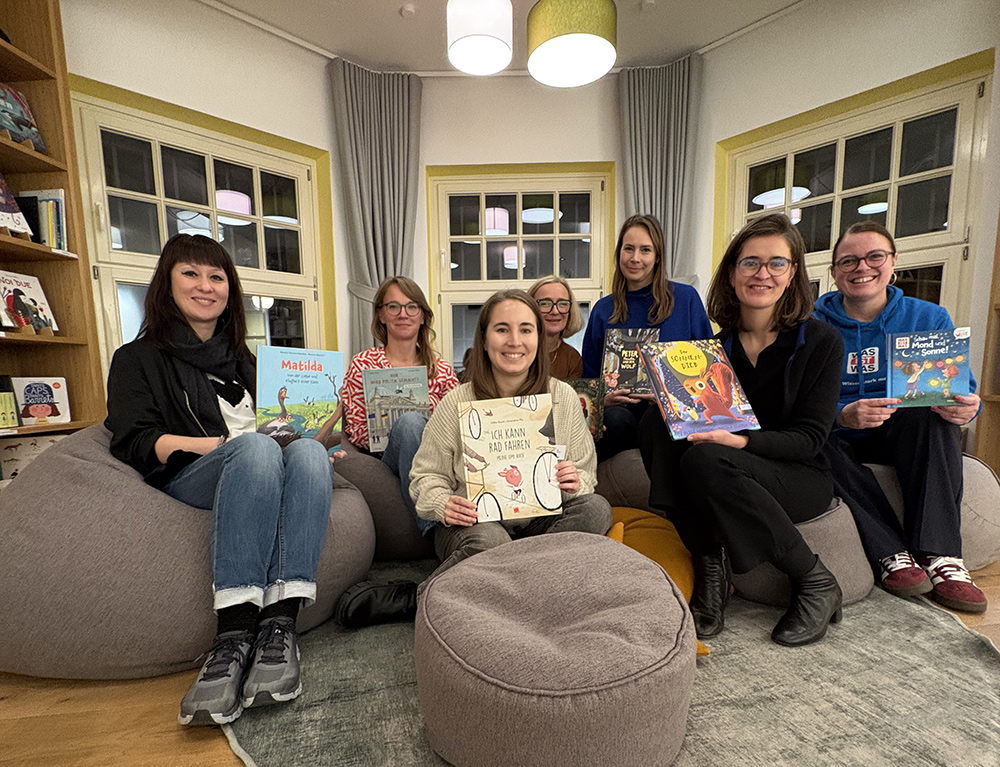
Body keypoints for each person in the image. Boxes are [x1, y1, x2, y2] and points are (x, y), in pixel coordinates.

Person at [105, 234, 342, 726]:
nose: (205, 286)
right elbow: (135, 441)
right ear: (166, 283)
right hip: (193, 474)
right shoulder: (136, 358)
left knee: (310, 454)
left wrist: (316, 433)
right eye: (191, 274)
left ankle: (279, 626)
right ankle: (232, 636)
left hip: (264, 466)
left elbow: (279, 431)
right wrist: (216, 446)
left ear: (229, 290)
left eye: (216, 277)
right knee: (254, 448)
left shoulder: (249, 362)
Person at [638, 213, 846, 647]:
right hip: (722, 467)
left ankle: (814, 579)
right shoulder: (715, 350)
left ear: (793, 273)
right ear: (732, 273)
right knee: (656, 422)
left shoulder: (821, 341)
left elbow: (810, 439)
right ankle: (710, 565)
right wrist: (673, 405)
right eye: (750, 262)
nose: (762, 274)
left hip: (799, 474)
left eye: (776, 263)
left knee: (706, 458)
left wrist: (740, 441)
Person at [814, 221, 986, 613]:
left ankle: (941, 555)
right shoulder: (812, 326)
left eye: (874, 256)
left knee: (932, 412)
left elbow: (960, 386)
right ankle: (891, 552)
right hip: (840, 435)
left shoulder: (929, 317)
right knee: (809, 438)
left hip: (904, 432)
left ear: (893, 263)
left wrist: (966, 406)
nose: (862, 267)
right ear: (835, 271)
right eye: (849, 260)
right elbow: (799, 401)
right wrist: (842, 414)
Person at [410, 289, 613, 578]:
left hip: (542, 522)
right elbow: (426, 476)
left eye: (526, 330)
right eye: (502, 329)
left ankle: (511, 577)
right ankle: (538, 576)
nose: (514, 341)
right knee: (491, 542)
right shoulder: (456, 402)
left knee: (596, 509)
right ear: (484, 340)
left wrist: (573, 482)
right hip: (477, 524)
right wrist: (443, 503)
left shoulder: (564, 397)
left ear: (539, 339)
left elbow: (585, 474)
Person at [581, 214, 712, 461]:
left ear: (657, 256)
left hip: (675, 416)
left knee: (660, 419)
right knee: (614, 420)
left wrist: (670, 396)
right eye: (628, 249)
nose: (635, 258)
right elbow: (588, 379)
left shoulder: (686, 299)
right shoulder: (603, 310)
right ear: (619, 253)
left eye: (645, 250)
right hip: (621, 422)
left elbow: (710, 368)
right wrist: (604, 399)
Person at [341, 276, 459, 531]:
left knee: (414, 423)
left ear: (423, 316)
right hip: (386, 457)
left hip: (435, 460)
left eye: (411, 306)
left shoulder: (442, 370)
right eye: (393, 306)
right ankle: (433, 527)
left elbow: (457, 428)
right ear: (381, 315)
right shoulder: (363, 364)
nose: (403, 314)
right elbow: (356, 430)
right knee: (409, 423)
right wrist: (392, 429)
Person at [528, 275, 584, 379]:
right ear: (530, 308)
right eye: (545, 303)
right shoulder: (517, 350)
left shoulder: (572, 358)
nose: (555, 311)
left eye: (563, 304)